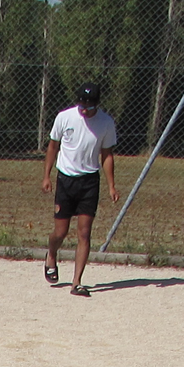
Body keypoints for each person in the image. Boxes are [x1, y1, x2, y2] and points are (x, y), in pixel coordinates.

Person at [42, 82, 119, 297]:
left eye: (90, 106)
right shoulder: (64, 117)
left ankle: (76, 282)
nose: (85, 110)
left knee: (84, 233)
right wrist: (46, 176)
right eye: (82, 105)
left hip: (89, 182)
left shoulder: (105, 122)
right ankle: (51, 255)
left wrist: (112, 185)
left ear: (97, 104)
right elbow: (53, 146)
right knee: (61, 232)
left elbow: (107, 155)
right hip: (66, 180)